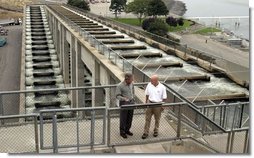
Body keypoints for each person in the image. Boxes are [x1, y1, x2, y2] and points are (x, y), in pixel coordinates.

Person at [142, 75, 167, 139]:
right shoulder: (149, 85)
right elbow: (147, 94)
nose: (150, 81)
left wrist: (163, 105)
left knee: (157, 119)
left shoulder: (162, 87)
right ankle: (145, 132)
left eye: (151, 80)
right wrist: (146, 102)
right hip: (150, 104)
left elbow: (164, 98)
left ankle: (156, 131)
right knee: (147, 119)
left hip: (158, 105)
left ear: (156, 81)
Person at [115, 72, 135, 139]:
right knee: (123, 118)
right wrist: (124, 99)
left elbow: (133, 92)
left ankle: (127, 130)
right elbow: (117, 96)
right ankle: (122, 132)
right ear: (127, 79)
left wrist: (133, 98)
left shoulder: (131, 84)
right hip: (124, 104)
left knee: (130, 118)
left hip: (131, 103)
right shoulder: (120, 86)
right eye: (131, 79)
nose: (132, 80)